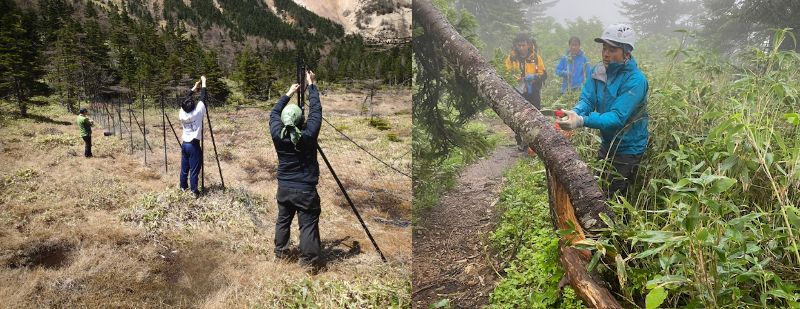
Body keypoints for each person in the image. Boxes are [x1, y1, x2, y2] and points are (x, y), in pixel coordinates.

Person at [556, 24, 649, 198]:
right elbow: (588, 99)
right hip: (607, 143)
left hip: (628, 148)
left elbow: (617, 117)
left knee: (617, 198)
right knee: (599, 189)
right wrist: (575, 112)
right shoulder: (598, 70)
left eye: (612, 49)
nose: (606, 53)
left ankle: (620, 224)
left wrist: (581, 121)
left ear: (626, 53)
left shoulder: (636, 80)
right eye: (604, 48)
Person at [269, 70, 323, 269]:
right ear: (302, 121)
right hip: (305, 189)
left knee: (283, 220)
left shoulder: (277, 134)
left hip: (284, 187)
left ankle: (280, 252)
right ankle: (308, 262)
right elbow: (316, 111)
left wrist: (288, 93)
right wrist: (312, 86)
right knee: (307, 224)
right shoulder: (308, 135)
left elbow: (274, 113)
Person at [505, 33, 547, 150]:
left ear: (528, 45)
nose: (521, 48)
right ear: (516, 45)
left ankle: (534, 142)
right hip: (517, 92)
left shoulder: (536, 57)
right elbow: (506, 73)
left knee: (535, 115)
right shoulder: (511, 58)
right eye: (519, 45)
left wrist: (533, 77)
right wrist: (516, 79)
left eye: (523, 45)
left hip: (533, 91)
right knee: (518, 116)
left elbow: (543, 74)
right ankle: (520, 142)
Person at [179, 76, 207, 197]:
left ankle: (183, 187)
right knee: (195, 169)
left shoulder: (182, 113)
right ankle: (194, 191)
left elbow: (186, 99)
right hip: (194, 145)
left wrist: (194, 88)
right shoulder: (197, 112)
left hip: (185, 144)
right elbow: (203, 97)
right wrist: (204, 82)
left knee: (184, 168)